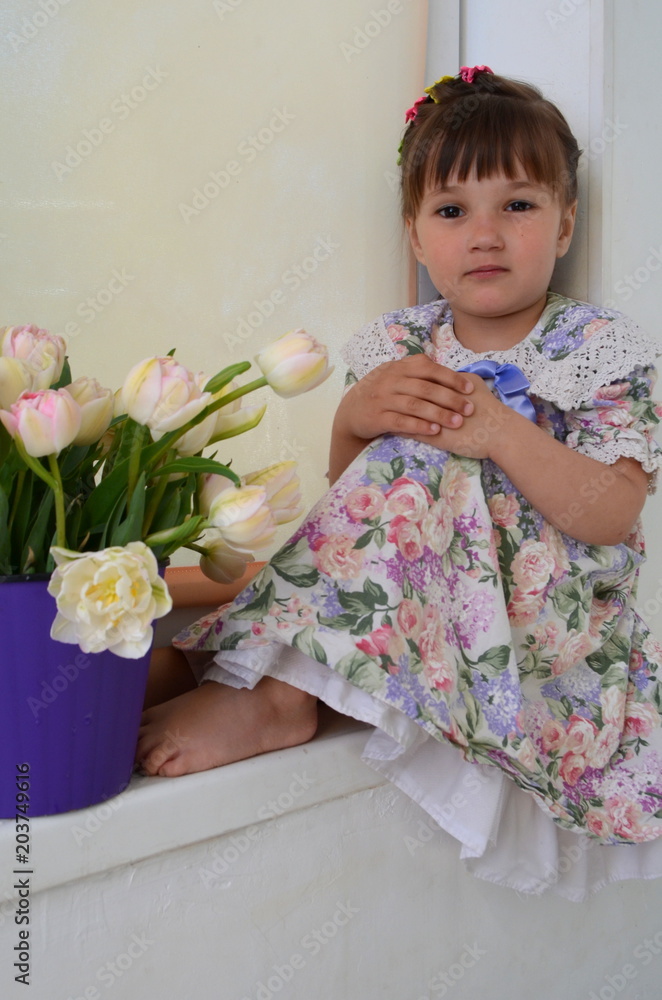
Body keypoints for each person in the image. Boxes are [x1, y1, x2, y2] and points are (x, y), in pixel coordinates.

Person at [137, 68, 662, 898]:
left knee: (420, 461)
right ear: (416, 237)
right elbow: (358, 511)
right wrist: (353, 419)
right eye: (452, 211)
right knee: (390, 476)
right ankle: (216, 670)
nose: (484, 235)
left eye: (517, 205)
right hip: (435, 597)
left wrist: (500, 431)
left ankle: (279, 698)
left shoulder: (596, 346)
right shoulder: (402, 344)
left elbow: (612, 513)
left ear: (565, 223)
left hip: (541, 614)